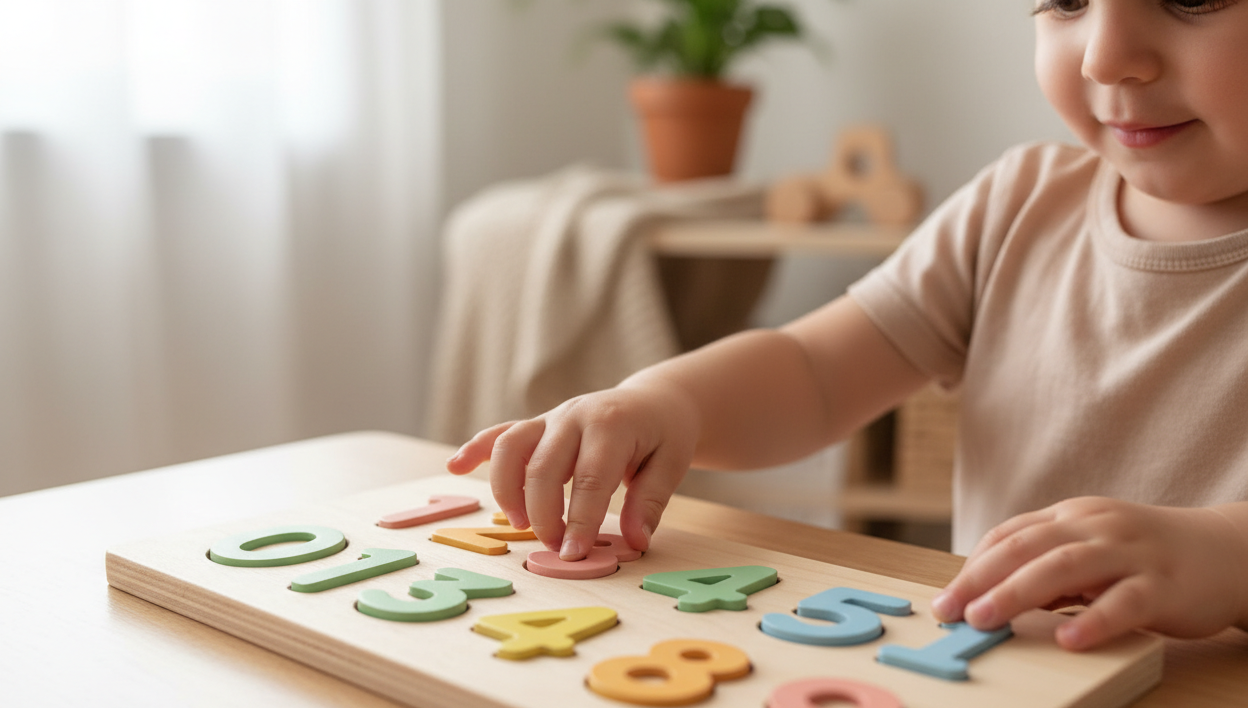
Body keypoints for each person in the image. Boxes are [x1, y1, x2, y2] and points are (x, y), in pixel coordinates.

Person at [447, 0, 1248, 651]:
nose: (1104, 56)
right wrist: (665, 401)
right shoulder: (1019, 203)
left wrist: (1225, 555)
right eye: (1068, 1)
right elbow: (814, 371)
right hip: (1004, 693)